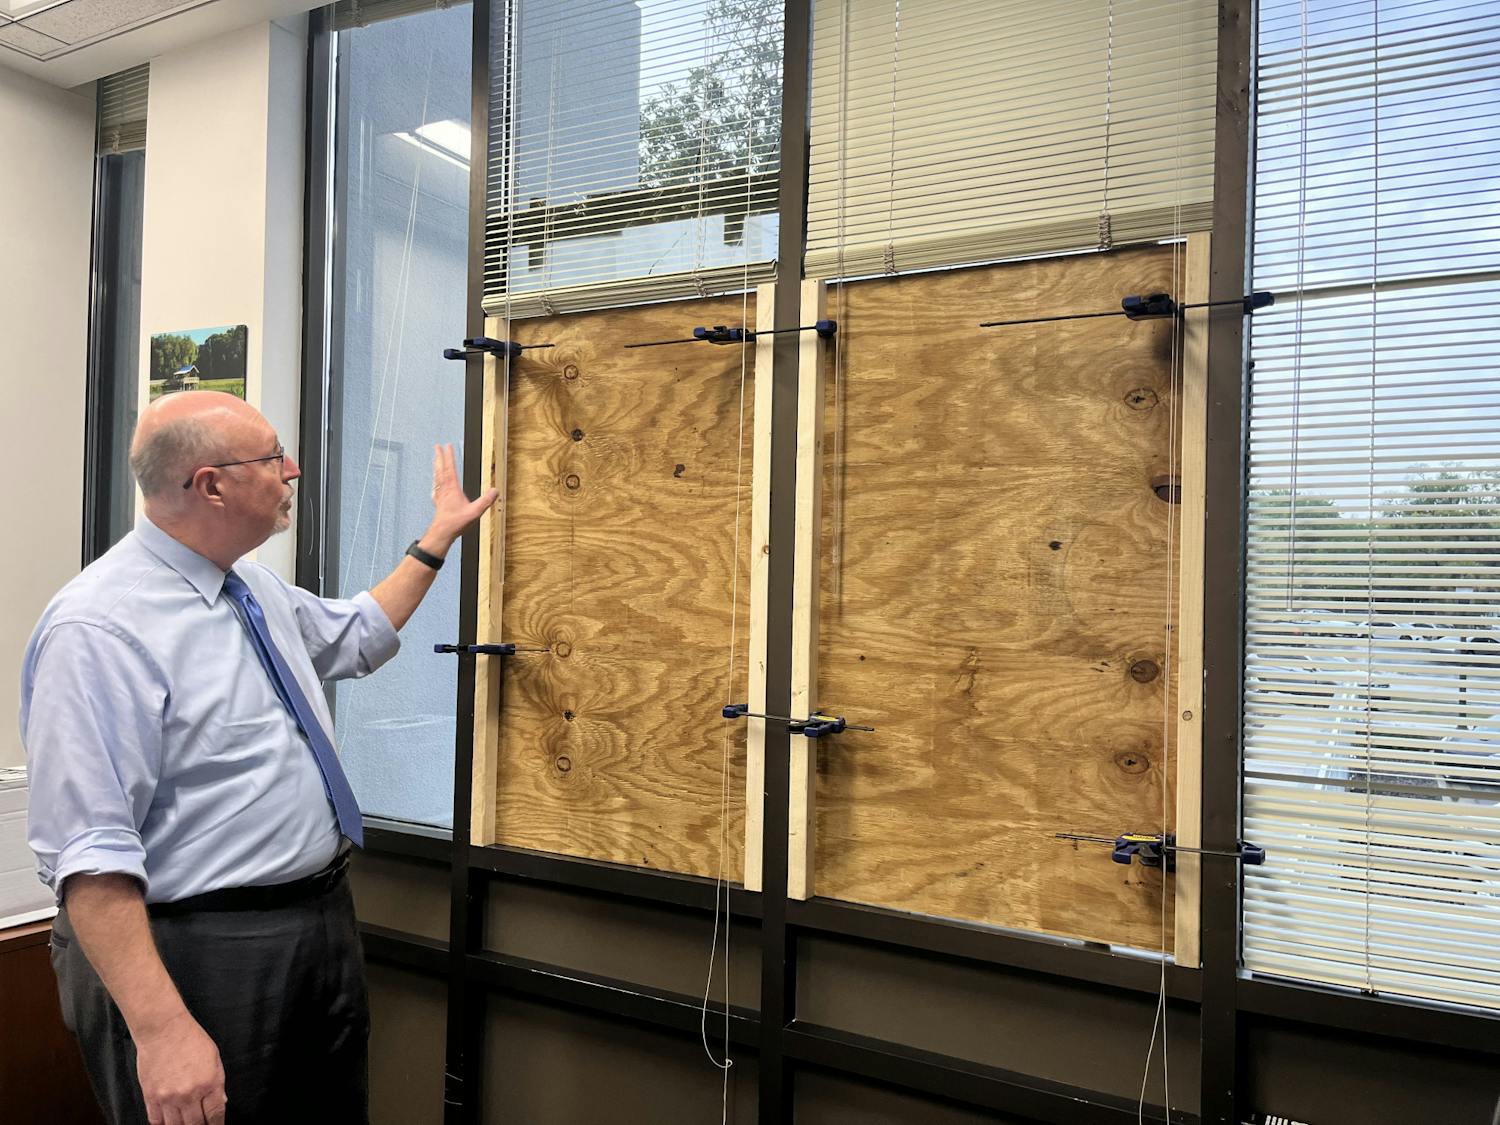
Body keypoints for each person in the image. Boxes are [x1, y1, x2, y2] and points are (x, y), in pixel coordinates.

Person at [20, 390, 496, 1125]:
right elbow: (90, 855)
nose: (293, 470)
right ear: (210, 484)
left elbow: (355, 636)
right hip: (192, 948)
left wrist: (436, 538)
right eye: (274, 457)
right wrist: (162, 1029)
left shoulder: (250, 587)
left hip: (313, 925)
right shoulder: (100, 628)